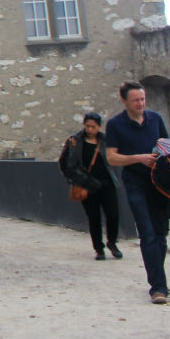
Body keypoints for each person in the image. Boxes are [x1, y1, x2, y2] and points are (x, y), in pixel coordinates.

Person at [104, 81, 170, 304]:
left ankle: (158, 279)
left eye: (143, 99)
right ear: (124, 101)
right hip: (135, 183)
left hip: (159, 183)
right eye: (136, 100)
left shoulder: (156, 119)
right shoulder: (115, 125)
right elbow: (112, 157)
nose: (141, 103)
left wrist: (162, 148)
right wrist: (139, 158)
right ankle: (158, 288)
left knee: (161, 234)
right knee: (147, 233)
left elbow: (166, 145)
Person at [59, 111, 120, 261]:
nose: (90, 130)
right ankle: (99, 249)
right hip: (87, 185)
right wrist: (83, 180)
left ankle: (112, 242)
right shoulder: (75, 141)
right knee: (94, 218)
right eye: (87, 126)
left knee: (113, 215)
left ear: (99, 127)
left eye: (93, 127)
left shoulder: (105, 140)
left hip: (106, 184)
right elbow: (66, 164)